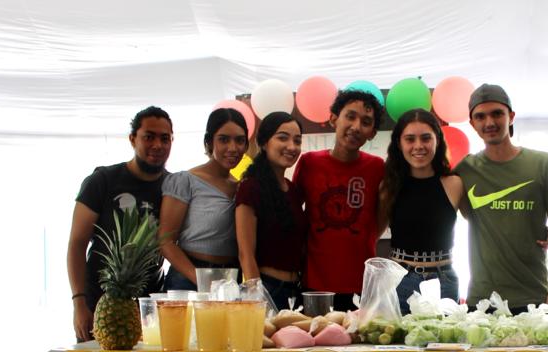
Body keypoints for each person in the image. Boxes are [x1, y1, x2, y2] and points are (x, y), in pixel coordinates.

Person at [455, 84, 548, 312]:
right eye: (480, 116)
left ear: (511, 116)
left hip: (534, 296)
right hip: (482, 300)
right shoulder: (465, 169)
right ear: (472, 124)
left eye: (497, 113)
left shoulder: (541, 163)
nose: (489, 123)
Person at [67, 106, 173, 341]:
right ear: (133, 138)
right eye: (149, 137)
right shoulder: (102, 181)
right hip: (100, 301)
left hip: (150, 304)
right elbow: (76, 244)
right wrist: (79, 303)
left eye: (164, 138)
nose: (157, 145)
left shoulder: (174, 188)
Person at [293, 89, 385, 311]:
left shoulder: (377, 168)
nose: (356, 126)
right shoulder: (309, 163)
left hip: (360, 285)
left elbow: (381, 220)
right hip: (314, 284)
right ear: (334, 119)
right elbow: (294, 215)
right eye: (350, 116)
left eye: (365, 122)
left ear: (372, 133)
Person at [379, 109, 465, 313]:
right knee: (400, 344)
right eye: (410, 139)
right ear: (399, 144)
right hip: (400, 280)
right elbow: (371, 233)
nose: (418, 146)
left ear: (437, 140)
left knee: (444, 344)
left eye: (426, 138)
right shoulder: (388, 186)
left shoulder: (454, 183)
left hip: (443, 280)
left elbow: (483, 224)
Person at [158, 108, 249, 291]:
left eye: (239, 140)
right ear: (209, 142)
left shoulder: (243, 187)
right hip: (188, 279)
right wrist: (201, 281)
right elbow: (165, 241)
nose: (232, 148)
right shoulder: (186, 181)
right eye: (224, 139)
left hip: (231, 279)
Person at [235, 112, 309, 308]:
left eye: (297, 140)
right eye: (283, 138)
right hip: (267, 288)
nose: (292, 147)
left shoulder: (292, 189)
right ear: (264, 143)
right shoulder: (250, 187)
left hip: (296, 290)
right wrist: (259, 299)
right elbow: (245, 254)